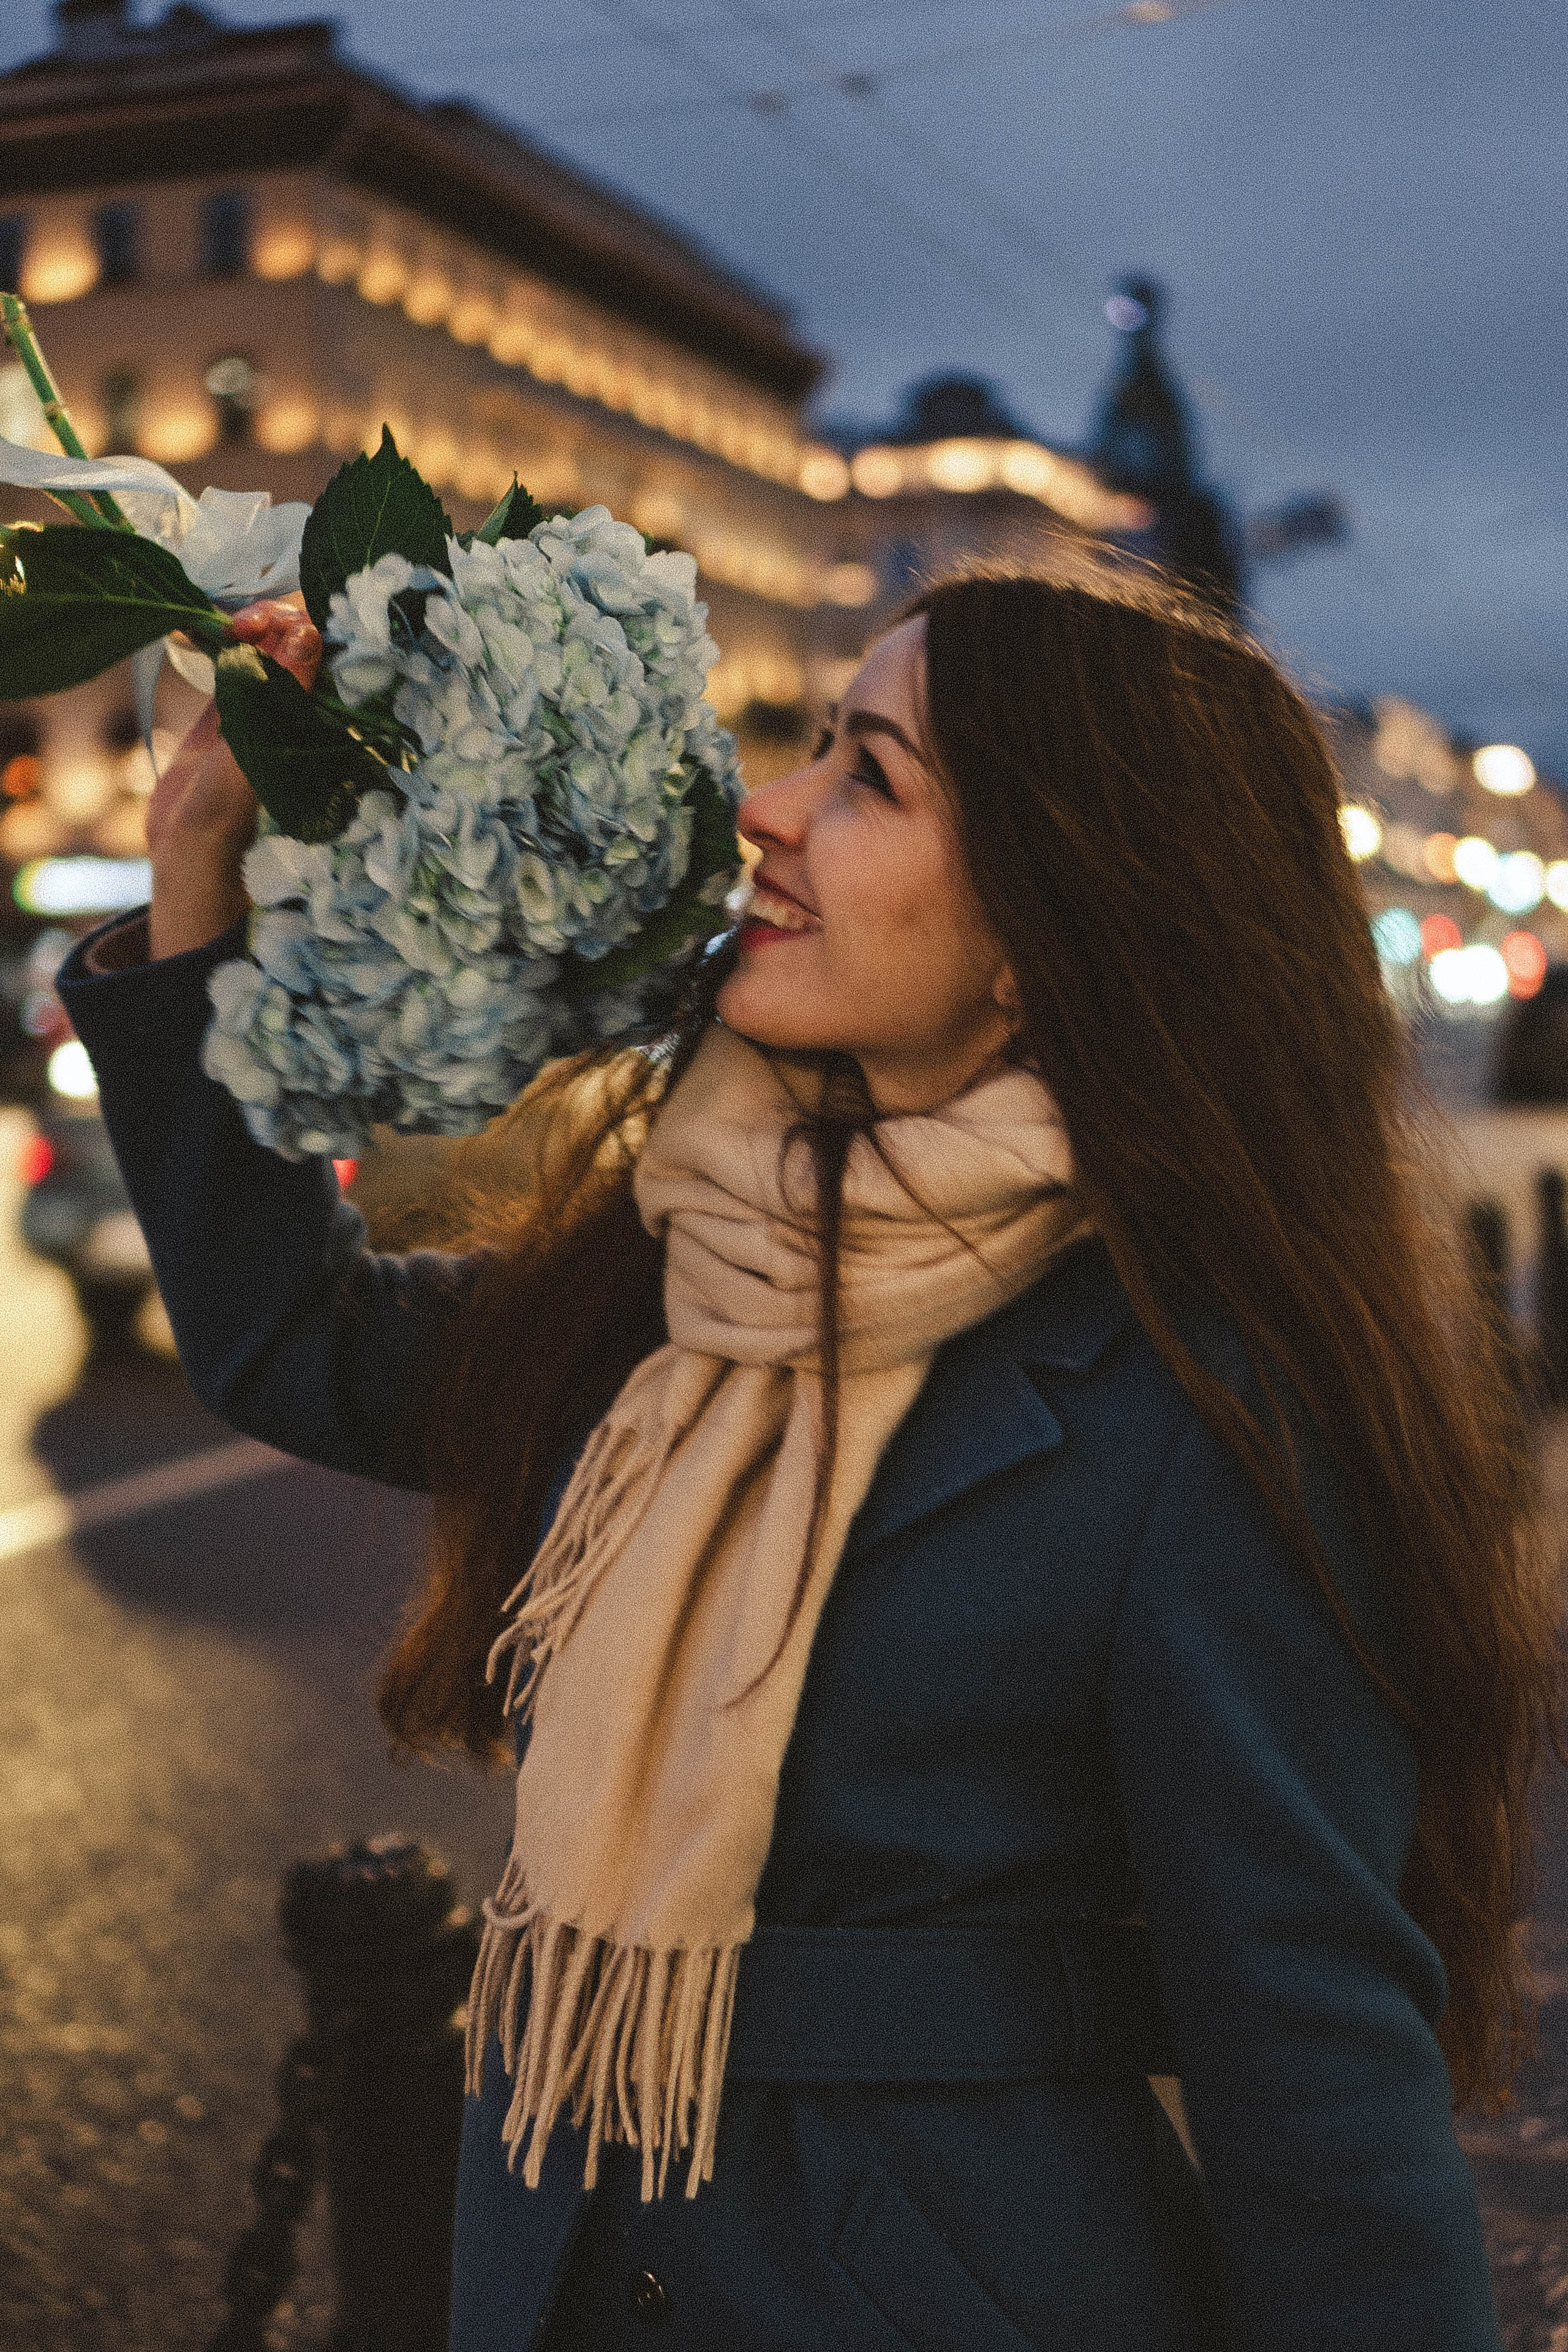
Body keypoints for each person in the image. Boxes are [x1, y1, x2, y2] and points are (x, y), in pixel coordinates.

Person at [58, 570, 1557, 2352]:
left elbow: (1314, 2075)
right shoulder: (693, 1264)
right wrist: (196, 865)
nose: (768, 806)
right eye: (817, 748)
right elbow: (288, 1344)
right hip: (560, 2265)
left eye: (873, 778)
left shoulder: (1201, 1411)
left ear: (1046, 932)